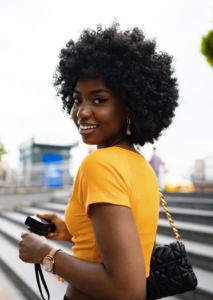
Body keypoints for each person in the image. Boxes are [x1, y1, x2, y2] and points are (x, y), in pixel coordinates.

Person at [19, 22, 179, 300]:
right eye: (77, 99)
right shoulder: (141, 165)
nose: (81, 112)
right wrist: (70, 232)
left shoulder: (100, 164)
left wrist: (44, 253)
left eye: (99, 99)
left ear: (129, 105)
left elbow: (126, 290)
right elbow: (126, 245)